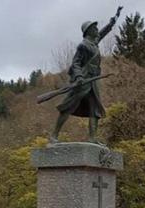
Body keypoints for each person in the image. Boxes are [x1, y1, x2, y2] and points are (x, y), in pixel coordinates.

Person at [50, 6, 123, 143]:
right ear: (88, 31)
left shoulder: (94, 43)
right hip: (83, 80)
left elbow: (104, 31)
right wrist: (78, 77)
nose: (97, 30)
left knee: (95, 110)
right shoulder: (83, 45)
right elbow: (75, 63)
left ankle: (92, 138)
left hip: (94, 81)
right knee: (68, 106)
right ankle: (54, 135)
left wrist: (114, 19)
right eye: (94, 28)